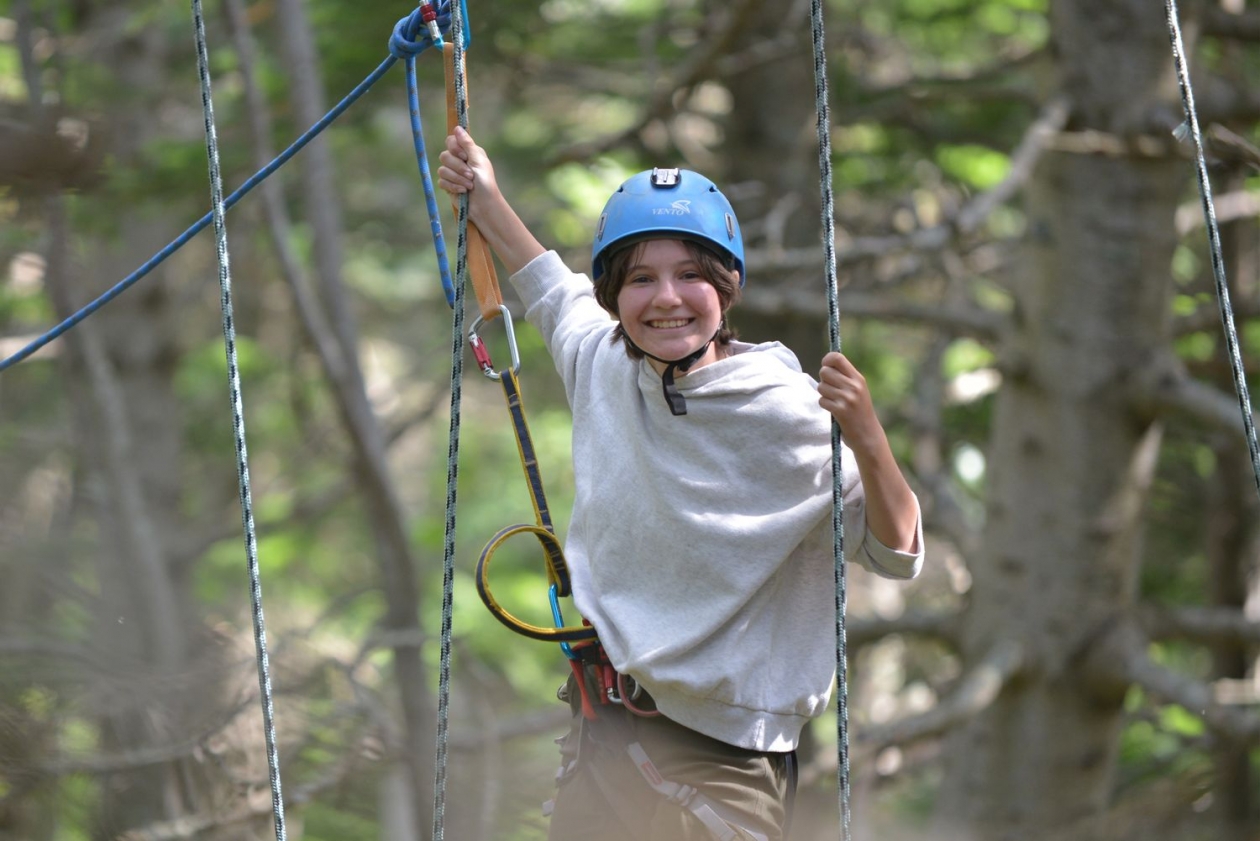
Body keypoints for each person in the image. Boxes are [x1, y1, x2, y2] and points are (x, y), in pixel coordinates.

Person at [438, 126, 924, 841]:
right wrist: (486, 196)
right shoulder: (605, 361)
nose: (666, 298)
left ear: (725, 289)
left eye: (690, 274)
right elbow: (547, 284)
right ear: (615, 296)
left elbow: (899, 549)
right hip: (608, 728)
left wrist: (870, 440)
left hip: (725, 761)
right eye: (639, 278)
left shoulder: (781, 408)